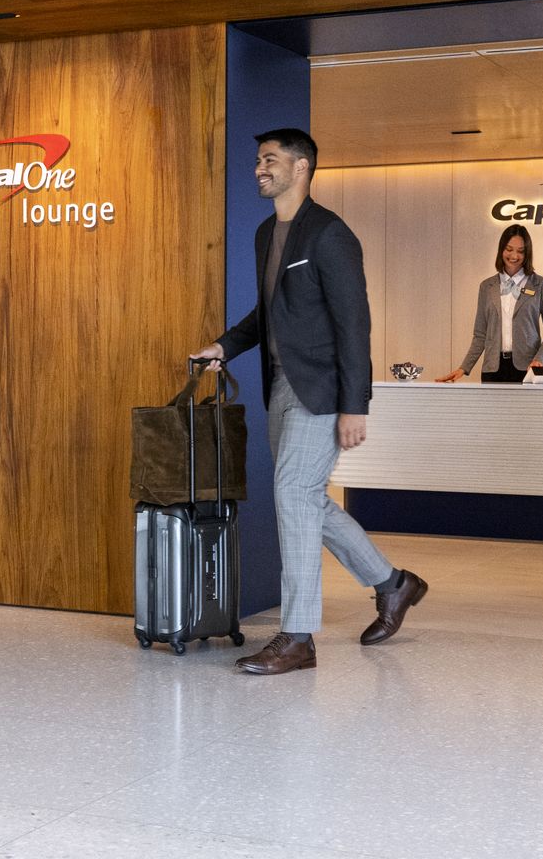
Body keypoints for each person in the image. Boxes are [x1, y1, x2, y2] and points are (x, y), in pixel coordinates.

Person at [191, 128, 428, 676]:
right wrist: (224, 347)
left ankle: (297, 636)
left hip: (321, 390)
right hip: (282, 386)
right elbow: (268, 314)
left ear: (301, 168)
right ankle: (394, 585)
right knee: (304, 499)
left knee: (294, 495)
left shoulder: (331, 235)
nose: (258, 169)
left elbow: (354, 325)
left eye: (269, 160)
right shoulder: (265, 235)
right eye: (257, 161)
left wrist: (356, 405)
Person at [437, 225, 543, 384]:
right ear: (501, 249)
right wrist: (463, 368)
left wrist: (539, 360)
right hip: (492, 370)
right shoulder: (486, 287)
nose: (514, 255)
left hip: (527, 369)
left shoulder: (542, 286)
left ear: (527, 253)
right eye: (509, 249)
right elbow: (480, 335)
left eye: (521, 251)